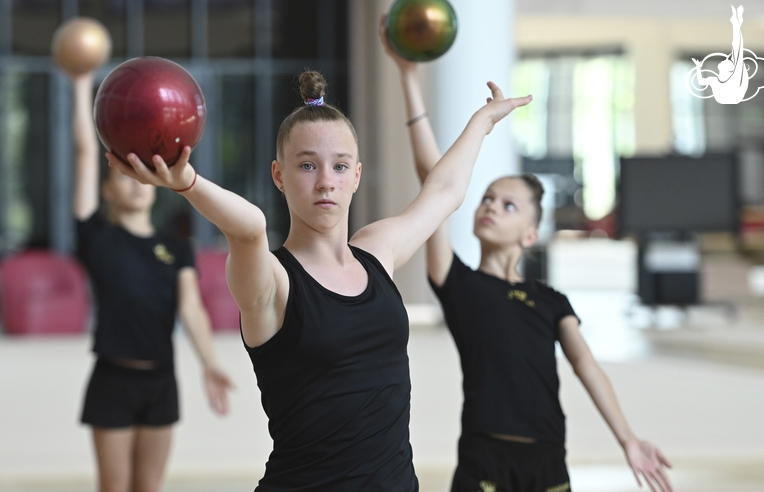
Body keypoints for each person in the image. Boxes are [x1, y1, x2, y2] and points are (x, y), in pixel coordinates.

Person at [105, 69, 531, 491]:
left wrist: (482, 121)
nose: (326, 181)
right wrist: (188, 183)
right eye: (307, 165)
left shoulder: (377, 253)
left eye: (340, 166)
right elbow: (249, 227)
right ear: (279, 175)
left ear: (357, 176)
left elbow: (444, 192)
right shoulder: (272, 282)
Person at [381, 25, 674, 492]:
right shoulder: (458, 283)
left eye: (508, 205)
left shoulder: (551, 300)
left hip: (548, 467)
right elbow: (434, 180)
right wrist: (409, 79)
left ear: (532, 233)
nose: (491, 206)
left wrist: (628, 439)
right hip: (483, 465)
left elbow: (586, 366)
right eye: (488, 199)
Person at [70, 71, 233, 492]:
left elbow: (191, 309)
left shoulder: (176, 247)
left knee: (149, 488)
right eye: (124, 173)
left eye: (140, 175)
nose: (135, 182)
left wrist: (210, 364)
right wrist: (80, 84)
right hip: (112, 379)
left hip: (161, 379)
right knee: (114, 487)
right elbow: (86, 152)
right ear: (107, 189)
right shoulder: (97, 238)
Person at [692, 5, 748, 104]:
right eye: (729, 61)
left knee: (737, 50)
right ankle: (736, 23)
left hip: (729, 96)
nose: (726, 60)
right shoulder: (734, 78)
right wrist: (736, 25)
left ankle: (736, 23)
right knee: (737, 51)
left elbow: (701, 81)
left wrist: (698, 67)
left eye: (727, 61)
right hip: (732, 95)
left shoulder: (715, 80)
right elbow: (738, 50)